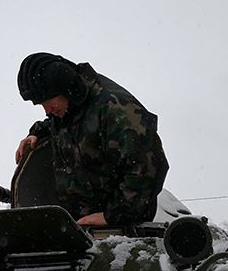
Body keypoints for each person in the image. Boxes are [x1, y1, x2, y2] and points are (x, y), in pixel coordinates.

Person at [15, 52, 169, 229]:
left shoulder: (117, 110)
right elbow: (64, 124)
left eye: (47, 103)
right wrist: (37, 133)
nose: (46, 111)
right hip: (82, 227)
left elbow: (147, 166)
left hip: (118, 231)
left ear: (66, 87)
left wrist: (112, 216)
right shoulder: (73, 104)